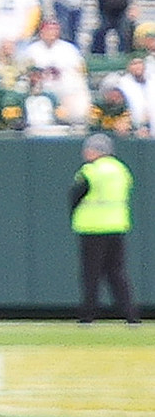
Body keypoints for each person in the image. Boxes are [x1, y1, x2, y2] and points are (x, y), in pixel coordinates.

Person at [73, 133, 137, 326]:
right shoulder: (122, 170)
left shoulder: (91, 171)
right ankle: (131, 315)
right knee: (117, 273)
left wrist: (74, 217)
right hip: (117, 226)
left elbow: (76, 195)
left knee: (91, 274)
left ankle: (88, 315)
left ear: (97, 151)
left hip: (93, 227)